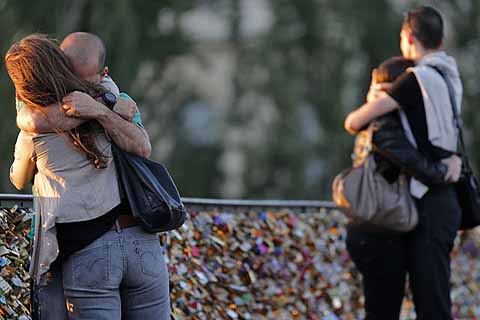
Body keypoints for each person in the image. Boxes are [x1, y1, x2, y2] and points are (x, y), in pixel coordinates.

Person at [7, 34, 170, 319]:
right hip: (142, 240)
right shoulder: (118, 100)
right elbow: (142, 146)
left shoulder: (37, 125)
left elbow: (18, 178)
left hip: (87, 249)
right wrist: (104, 106)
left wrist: (96, 108)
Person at [344, 6, 463, 320]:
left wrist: (375, 97)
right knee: (434, 298)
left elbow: (355, 122)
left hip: (428, 198)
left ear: (409, 36)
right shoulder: (450, 76)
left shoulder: (416, 79)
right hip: (444, 199)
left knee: (425, 302)